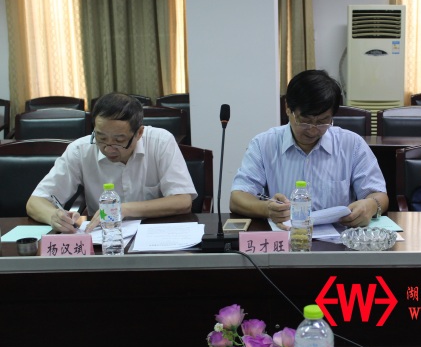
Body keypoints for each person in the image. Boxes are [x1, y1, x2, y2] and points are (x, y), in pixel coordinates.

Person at [230, 69, 388, 227]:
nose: (312, 130)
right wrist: (267, 209)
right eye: (305, 120)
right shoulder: (263, 144)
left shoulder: (352, 144)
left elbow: (379, 194)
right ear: (288, 108)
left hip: (339, 238)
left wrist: (371, 205)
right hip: (287, 236)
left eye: (322, 121)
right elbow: (237, 198)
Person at [26, 92, 197, 233]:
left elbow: (183, 201)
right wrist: (53, 216)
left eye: (119, 140)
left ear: (139, 133)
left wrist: (124, 209)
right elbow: (35, 202)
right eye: (101, 138)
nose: (108, 148)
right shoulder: (80, 150)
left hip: (156, 234)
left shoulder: (161, 142)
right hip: (105, 238)